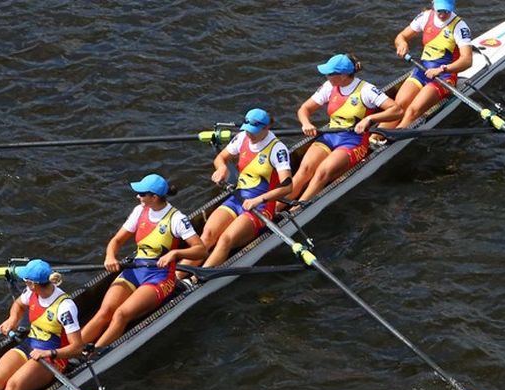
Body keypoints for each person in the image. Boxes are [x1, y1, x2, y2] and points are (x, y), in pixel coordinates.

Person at [79, 174, 207, 349]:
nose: (137, 197)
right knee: (104, 312)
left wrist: (175, 254)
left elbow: (201, 250)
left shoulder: (176, 219)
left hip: (160, 277)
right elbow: (116, 241)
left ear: (154, 197)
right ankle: (73, 351)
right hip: (136, 269)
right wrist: (110, 257)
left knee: (121, 314)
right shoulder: (139, 211)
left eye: (141, 194)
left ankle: (92, 356)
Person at [289, 54, 402, 204]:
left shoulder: (367, 90)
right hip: (330, 135)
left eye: (330, 73)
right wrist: (306, 123)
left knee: (322, 172)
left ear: (342, 76)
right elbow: (304, 108)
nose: (326, 76)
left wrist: (370, 119)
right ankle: (276, 208)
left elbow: (397, 110)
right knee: (304, 170)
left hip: (354, 141)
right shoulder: (329, 86)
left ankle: (297, 209)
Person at [0, 259, 85, 390]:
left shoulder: (65, 307)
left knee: (12, 385)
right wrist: (13, 319)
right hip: (29, 345)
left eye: (25, 280)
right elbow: (18, 305)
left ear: (32, 283)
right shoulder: (31, 293)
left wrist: (48, 353)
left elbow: (77, 348)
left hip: (53, 359)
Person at [199, 108, 295, 271]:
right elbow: (220, 158)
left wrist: (258, 200)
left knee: (225, 240)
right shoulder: (242, 137)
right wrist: (222, 168)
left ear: (266, 128)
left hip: (261, 207)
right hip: (238, 198)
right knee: (206, 235)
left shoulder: (277, 150)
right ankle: (177, 278)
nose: (249, 135)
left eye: (254, 132)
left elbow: (287, 186)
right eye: (248, 130)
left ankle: (196, 280)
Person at [387, 0, 474, 129]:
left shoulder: (460, 27)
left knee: (412, 111)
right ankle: (375, 137)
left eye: (447, 10)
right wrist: (402, 43)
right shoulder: (425, 16)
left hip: (444, 77)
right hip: (422, 71)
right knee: (398, 106)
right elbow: (401, 36)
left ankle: (391, 141)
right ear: (433, 4)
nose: (443, 14)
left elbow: (467, 60)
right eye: (440, 10)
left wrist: (442, 69)